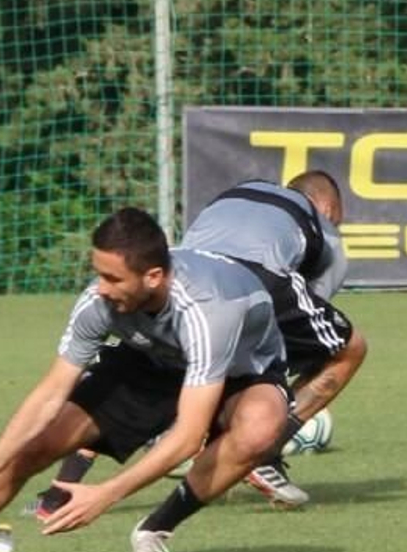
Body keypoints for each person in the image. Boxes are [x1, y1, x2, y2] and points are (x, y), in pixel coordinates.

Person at [0, 207, 291, 552]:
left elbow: (189, 435)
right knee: (39, 443)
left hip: (240, 371)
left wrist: (106, 494)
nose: (101, 287)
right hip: (151, 359)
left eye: (112, 278)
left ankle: (154, 531)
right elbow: (49, 395)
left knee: (260, 427)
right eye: (98, 273)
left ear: (153, 277)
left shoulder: (206, 310)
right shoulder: (99, 301)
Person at [34, 171, 366, 511]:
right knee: (347, 349)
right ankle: (263, 451)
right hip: (252, 286)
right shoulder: (323, 229)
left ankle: (59, 491)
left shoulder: (236, 193)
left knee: (125, 377)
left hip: (186, 286)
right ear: (326, 207)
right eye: (336, 219)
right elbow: (305, 322)